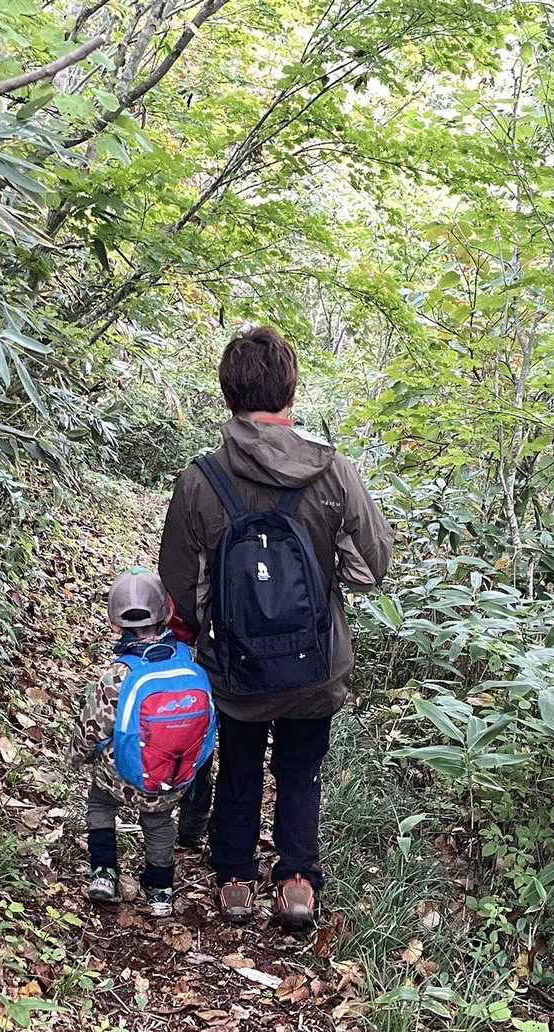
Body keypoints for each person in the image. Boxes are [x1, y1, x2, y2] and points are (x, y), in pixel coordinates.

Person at [158, 326, 393, 928]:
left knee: (238, 767)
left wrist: (210, 630)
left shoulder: (201, 479)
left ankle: (235, 881)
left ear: (227, 393)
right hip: (315, 665)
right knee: (300, 770)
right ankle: (296, 883)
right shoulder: (335, 472)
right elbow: (372, 568)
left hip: (236, 669)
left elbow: (181, 587)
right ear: (291, 390)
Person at [70, 569, 217, 917]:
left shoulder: (118, 674)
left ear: (114, 623)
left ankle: (104, 873)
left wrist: (77, 756)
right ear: (168, 612)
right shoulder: (188, 660)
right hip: (169, 773)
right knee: (159, 823)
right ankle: (160, 890)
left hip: (120, 774)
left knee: (100, 804)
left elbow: (94, 727)